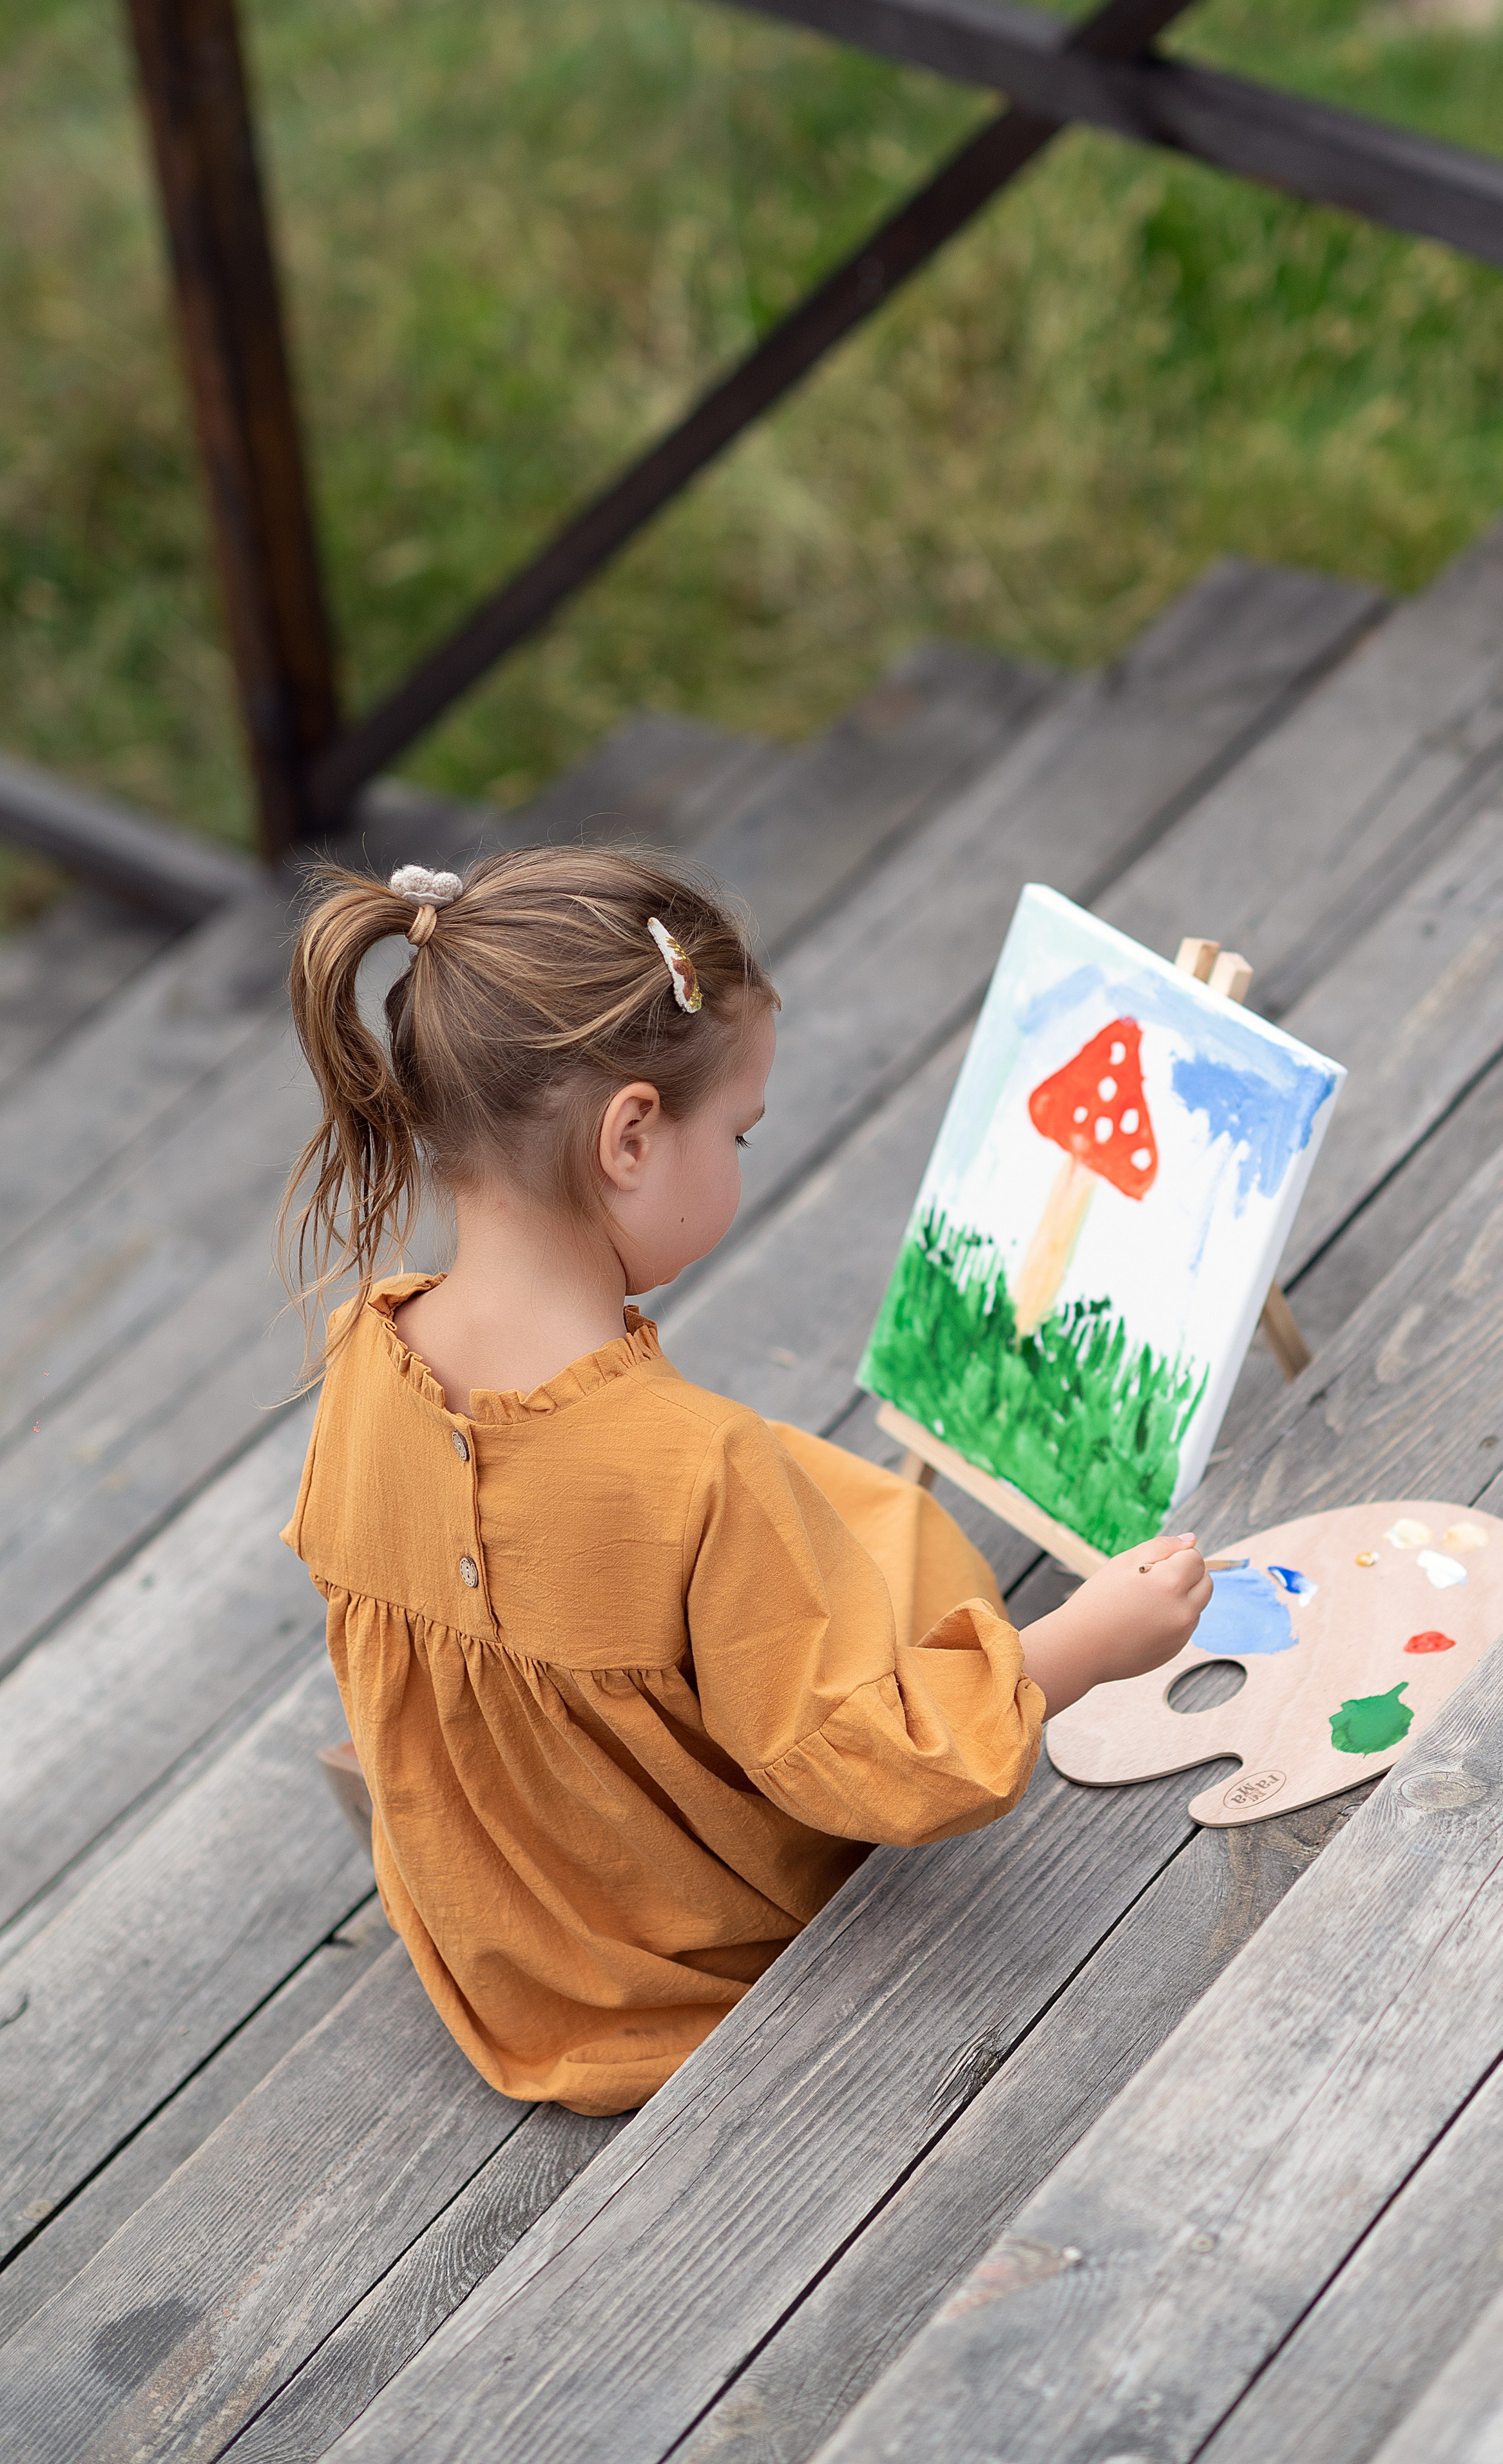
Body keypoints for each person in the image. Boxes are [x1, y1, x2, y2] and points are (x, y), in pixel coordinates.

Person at [280, 846, 1210, 2117]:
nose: (740, 1156)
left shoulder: (363, 1357)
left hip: (500, 1955)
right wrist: (1083, 1646)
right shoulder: (696, 1464)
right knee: (893, 1544)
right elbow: (864, 1762)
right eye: (738, 1133)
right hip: (695, 1949)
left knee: (841, 1501)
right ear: (630, 1137)